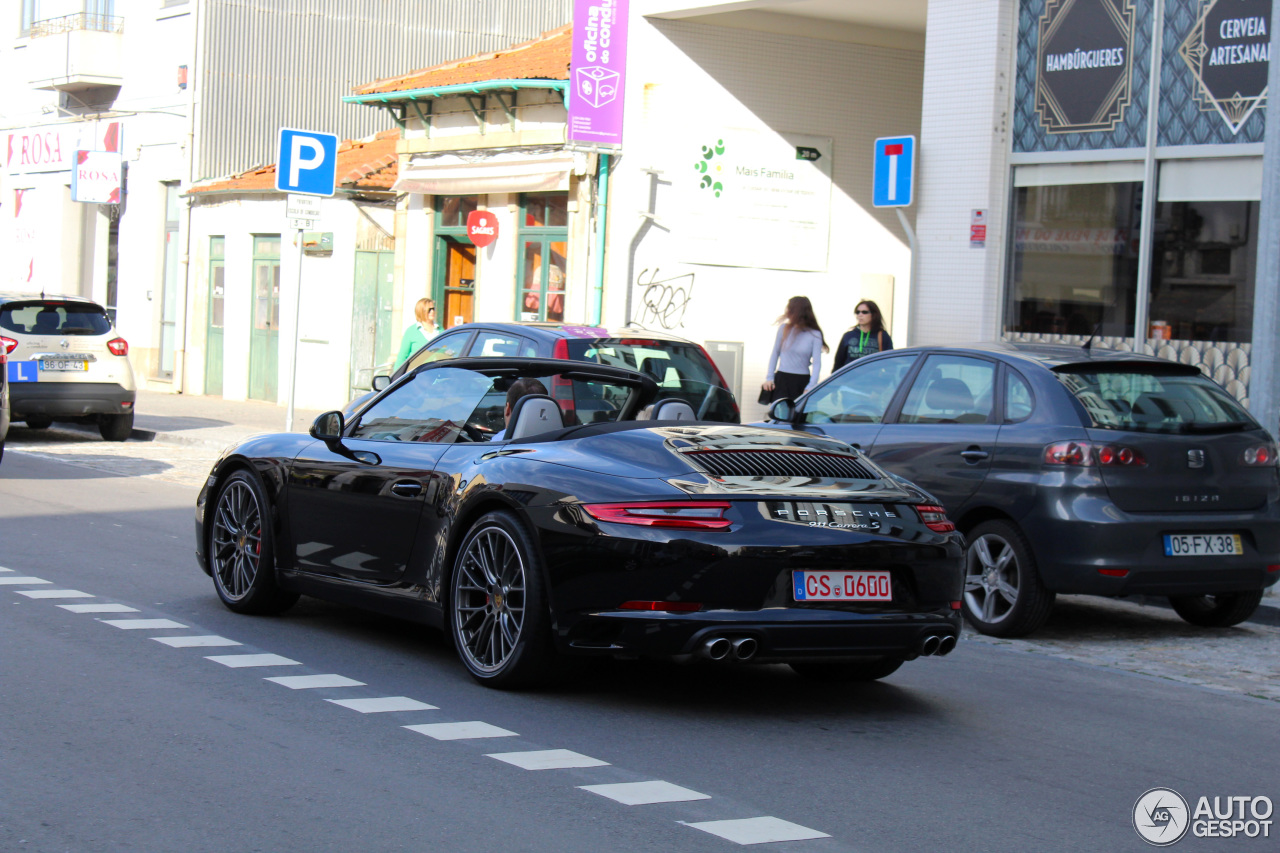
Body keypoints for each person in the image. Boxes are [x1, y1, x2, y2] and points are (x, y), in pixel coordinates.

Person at [761, 296, 829, 403]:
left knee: (799, 416)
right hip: (782, 379)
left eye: (789, 307)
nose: (786, 310)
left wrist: (811, 386)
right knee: (780, 414)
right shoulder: (783, 329)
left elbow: (817, 363)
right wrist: (769, 377)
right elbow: (775, 353)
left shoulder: (815, 334)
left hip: (802, 381)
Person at [832, 299, 893, 371]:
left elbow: (890, 362)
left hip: (874, 379)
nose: (860, 315)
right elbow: (838, 363)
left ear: (873, 314)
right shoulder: (848, 336)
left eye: (864, 312)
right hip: (850, 379)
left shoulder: (882, 336)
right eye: (857, 312)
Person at [394, 298, 441, 369]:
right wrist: (396, 376)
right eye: (429, 310)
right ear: (421, 311)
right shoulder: (411, 331)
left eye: (433, 309)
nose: (432, 312)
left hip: (438, 372)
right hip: (418, 375)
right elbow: (402, 356)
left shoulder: (440, 329)